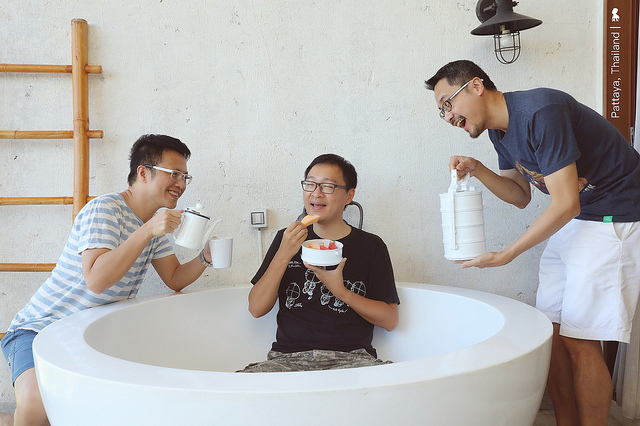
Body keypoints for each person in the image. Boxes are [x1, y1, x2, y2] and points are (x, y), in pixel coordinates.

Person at [425, 59, 640, 426]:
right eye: (441, 111)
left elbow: (566, 202)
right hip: (579, 217)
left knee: (581, 339)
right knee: (550, 332)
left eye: (448, 103)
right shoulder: (498, 132)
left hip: (613, 216)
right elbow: (520, 195)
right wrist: (478, 168)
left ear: (476, 86)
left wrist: (507, 254)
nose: (447, 117)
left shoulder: (541, 112)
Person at [0, 134, 216, 426]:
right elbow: (97, 280)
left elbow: (174, 278)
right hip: (38, 328)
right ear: (143, 172)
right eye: (174, 174)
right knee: (37, 405)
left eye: (185, 176)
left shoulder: (153, 224)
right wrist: (147, 231)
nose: (181, 184)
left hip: (87, 334)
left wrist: (205, 257)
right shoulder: (105, 208)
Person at [241, 153, 399, 372]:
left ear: (349, 195)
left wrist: (341, 292)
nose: (316, 193)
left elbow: (390, 320)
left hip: (352, 360)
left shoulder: (371, 246)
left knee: (391, 386)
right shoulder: (286, 238)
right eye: (310, 184)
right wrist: (284, 254)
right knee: (240, 387)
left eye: (327, 186)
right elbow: (256, 308)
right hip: (288, 359)